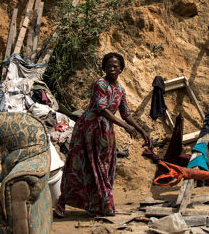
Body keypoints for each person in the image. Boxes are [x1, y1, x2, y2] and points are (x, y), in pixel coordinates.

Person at [57, 52, 152, 217]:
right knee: (81, 167)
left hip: (105, 133)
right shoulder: (100, 84)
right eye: (108, 66)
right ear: (104, 68)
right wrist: (124, 127)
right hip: (89, 130)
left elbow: (126, 113)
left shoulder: (121, 90)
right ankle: (62, 202)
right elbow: (102, 109)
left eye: (115, 66)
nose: (112, 69)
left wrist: (142, 131)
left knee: (104, 168)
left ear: (121, 69)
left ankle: (97, 205)